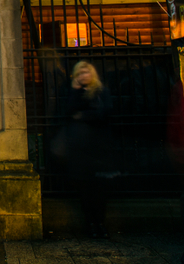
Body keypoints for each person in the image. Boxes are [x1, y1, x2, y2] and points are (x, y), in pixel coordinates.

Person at [65, 60, 113, 238]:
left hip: (98, 148)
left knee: (100, 190)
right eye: (79, 73)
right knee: (84, 190)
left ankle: (100, 223)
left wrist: (82, 115)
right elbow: (69, 111)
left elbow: (103, 113)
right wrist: (76, 92)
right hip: (80, 150)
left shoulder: (101, 91)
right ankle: (90, 224)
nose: (83, 76)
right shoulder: (75, 92)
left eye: (86, 72)